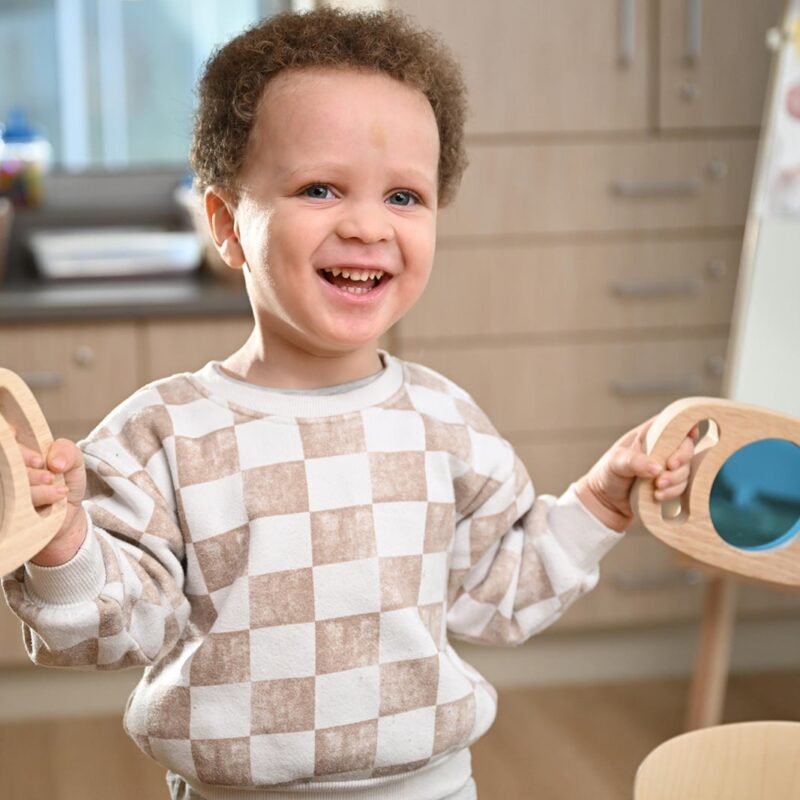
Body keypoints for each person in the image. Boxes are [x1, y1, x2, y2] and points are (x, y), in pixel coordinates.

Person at [2, 8, 696, 800]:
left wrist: (600, 502)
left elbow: (502, 587)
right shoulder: (164, 434)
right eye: (320, 188)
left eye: (405, 197)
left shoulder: (444, 422)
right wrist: (61, 541)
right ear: (227, 224)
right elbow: (115, 624)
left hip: (432, 788)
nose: (368, 225)